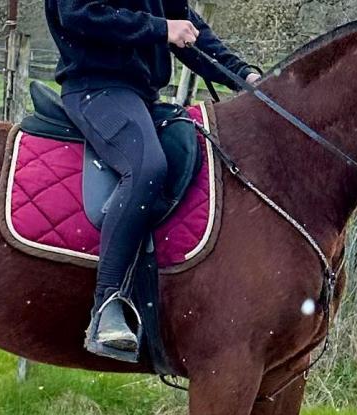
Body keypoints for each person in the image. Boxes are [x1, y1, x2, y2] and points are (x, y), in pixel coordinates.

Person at [45, 0, 261, 360]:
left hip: (142, 96)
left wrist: (244, 76)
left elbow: (186, 26)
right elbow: (78, 14)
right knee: (146, 168)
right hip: (95, 88)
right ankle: (107, 305)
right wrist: (161, 29)